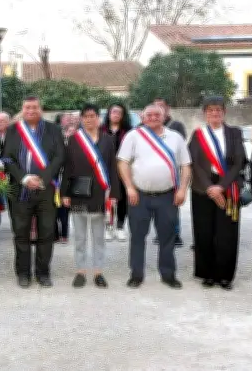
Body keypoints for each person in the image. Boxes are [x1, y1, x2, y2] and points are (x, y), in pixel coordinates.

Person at [117, 105, 191, 289]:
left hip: (168, 196)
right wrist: (129, 188)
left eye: (157, 114)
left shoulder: (176, 137)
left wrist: (182, 189)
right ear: (143, 117)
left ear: (164, 116)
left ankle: (168, 274)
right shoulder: (133, 136)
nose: (153, 118)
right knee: (137, 237)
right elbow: (122, 163)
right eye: (149, 115)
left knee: (168, 237)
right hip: (139, 195)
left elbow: (186, 165)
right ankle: (136, 274)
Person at [3, 96, 65, 288]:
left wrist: (43, 179)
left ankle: (43, 273)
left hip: (46, 190)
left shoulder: (53, 129)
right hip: (20, 189)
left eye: (35, 107)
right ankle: (23, 273)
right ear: (22, 109)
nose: (31, 110)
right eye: (27, 107)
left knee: (47, 232)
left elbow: (59, 156)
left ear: (41, 109)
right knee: (20, 233)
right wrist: (24, 178)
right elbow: (7, 158)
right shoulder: (13, 130)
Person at [188, 96, 247, 290]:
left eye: (218, 110)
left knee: (227, 233)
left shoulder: (234, 133)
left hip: (228, 187)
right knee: (204, 232)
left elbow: (238, 162)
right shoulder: (198, 135)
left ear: (224, 112)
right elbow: (194, 164)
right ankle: (207, 274)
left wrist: (221, 186)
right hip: (202, 189)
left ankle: (225, 276)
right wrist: (210, 188)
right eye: (211, 110)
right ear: (205, 113)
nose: (215, 113)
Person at [61, 103, 120, 288]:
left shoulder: (108, 140)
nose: (89, 119)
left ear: (98, 118)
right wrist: (64, 192)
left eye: (92, 115)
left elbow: (112, 167)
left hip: (100, 194)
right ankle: (80, 271)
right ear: (81, 119)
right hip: (79, 193)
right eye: (85, 116)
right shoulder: (74, 139)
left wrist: (114, 194)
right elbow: (67, 168)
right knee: (79, 236)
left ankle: (98, 271)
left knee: (98, 236)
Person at [154, 97, 187, 247]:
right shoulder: (149, 125)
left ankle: (175, 234)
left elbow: (181, 148)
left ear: (168, 108)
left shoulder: (177, 126)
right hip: (155, 172)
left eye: (161, 106)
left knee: (172, 204)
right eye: (155, 107)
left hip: (172, 172)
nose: (158, 109)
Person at [101, 102, 133, 242]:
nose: (116, 115)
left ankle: (120, 227)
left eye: (119, 112)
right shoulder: (100, 130)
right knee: (107, 199)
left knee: (122, 199)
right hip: (104, 170)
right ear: (109, 113)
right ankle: (108, 227)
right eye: (113, 112)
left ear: (123, 115)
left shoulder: (129, 132)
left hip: (123, 170)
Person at [0, 111, 12, 244]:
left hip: (11, 174)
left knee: (13, 205)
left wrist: (5, 161)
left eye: (3, 121)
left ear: (8, 122)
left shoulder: (14, 135)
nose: (0, 123)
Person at [55, 112, 75, 243]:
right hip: (55, 179)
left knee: (65, 208)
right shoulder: (55, 139)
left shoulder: (74, 143)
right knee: (54, 208)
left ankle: (65, 234)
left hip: (67, 179)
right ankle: (55, 234)